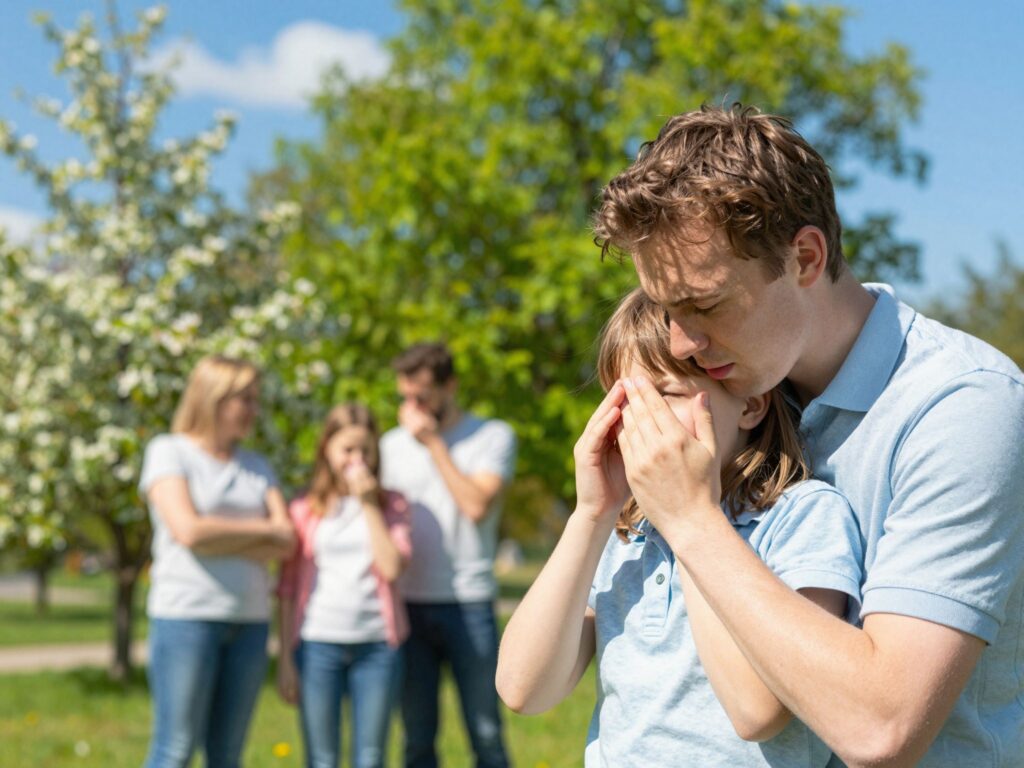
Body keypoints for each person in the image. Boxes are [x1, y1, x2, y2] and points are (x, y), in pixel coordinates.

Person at [591, 104, 1024, 767]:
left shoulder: (962, 409)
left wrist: (692, 516)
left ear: (805, 258)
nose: (679, 343)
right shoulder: (744, 390)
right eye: (666, 310)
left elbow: (881, 729)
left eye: (703, 304)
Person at [497, 288, 863, 765]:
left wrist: (689, 517)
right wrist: (591, 514)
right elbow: (523, 689)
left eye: (665, 394)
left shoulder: (804, 517)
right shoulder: (626, 531)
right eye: (623, 397)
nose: (637, 419)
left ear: (751, 404)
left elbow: (757, 713)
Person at [139, 355, 295, 768]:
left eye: (255, 399)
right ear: (213, 398)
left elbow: (286, 541)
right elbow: (188, 531)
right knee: (175, 748)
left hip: (250, 622)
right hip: (186, 618)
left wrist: (218, 535)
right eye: (245, 399)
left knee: (228, 755)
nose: (253, 410)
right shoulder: (169, 452)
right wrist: (260, 530)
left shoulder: (257, 467)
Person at [379, 341, 517, 768]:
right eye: (406, 397)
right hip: (408, 604)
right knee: (417, 737)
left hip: (468, 601)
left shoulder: (492, 436)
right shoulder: (389, 445)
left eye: (422, 396)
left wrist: (434, 444)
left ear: (450, 386)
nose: (413, 407)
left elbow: (476, 506)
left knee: (486, 733)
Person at [276, 403, 411, 768]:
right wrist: (286, 658)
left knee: (371, 757)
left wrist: (368, 504)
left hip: (377, 645)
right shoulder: (305, 507)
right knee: (322, 758)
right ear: (327, 450)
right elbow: (287, 590)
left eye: (366, 450)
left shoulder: (393, 504)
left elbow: (392, 567)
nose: (357, 460)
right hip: (318, 644)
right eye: (347, 450)